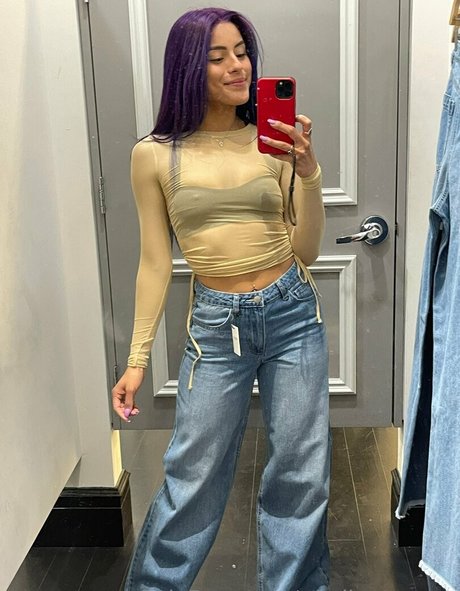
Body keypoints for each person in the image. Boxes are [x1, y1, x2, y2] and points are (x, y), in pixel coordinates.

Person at [112, 7, 330, 591]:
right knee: (194, 476)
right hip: (215, 326)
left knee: (301, 477)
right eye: (218, 57)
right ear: (188, 67)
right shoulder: (154, 155)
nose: (238, 66)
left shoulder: (271, 143)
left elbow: (306, 250)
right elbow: (155, 261)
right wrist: (137, 360)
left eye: (242, 52)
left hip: (292, 314)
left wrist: (308, 173)